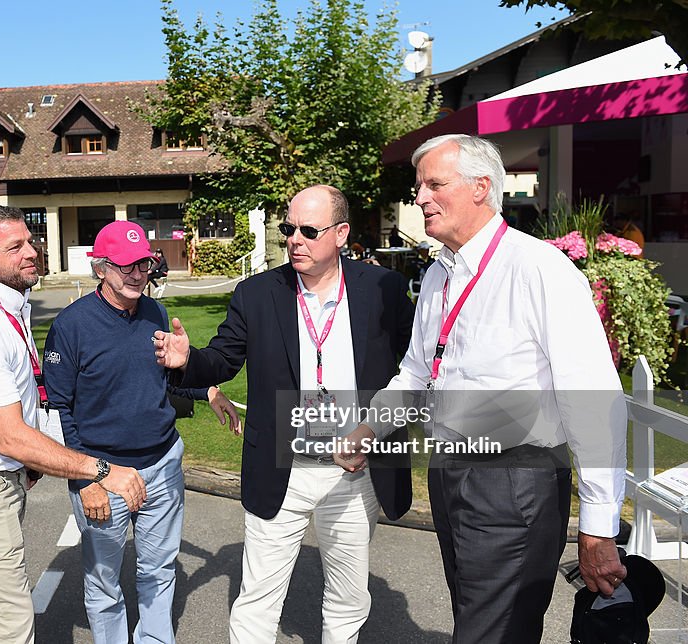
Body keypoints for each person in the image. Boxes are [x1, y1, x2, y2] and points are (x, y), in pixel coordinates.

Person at [336, 134, 627, 643]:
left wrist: (599, 524)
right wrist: (368, 429)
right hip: (452, 475)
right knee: (478, 620)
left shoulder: (540, 270)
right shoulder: (437, 277)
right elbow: (417, 373)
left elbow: (592, 401)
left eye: (434, 184)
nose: (419, 198)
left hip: (515, 483)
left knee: (489, 632)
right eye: (418, 185)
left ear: (481, 188)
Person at [153, 185, 414, 643]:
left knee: (349, 596)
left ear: (341, 233)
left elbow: (415, 370)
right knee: (258, 598)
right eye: (288, 228)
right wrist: (187, 360)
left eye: (309, 231)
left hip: (356, 470)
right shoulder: (257, 293)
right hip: (283, 468)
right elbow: (223, 358)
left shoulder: (383, 290)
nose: (295, 239)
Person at [0, 205, 147, 643]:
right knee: (11, 626)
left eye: (30, 240)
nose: (32, 251)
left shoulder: (9, 305)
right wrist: (101, 470)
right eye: (15, 247)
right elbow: (10, 436)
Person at [43, 221, 239, 644]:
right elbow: (59, 410)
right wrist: (87, 479)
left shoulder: (155, 311)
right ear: (100, 269)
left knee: (158, 571)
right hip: (104, 472)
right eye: (125, 266)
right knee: (103, 582)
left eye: (144, 265)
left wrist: (206, 389)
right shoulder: (71, 326)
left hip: (163, 464)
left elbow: (162, 379)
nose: (137, 275)